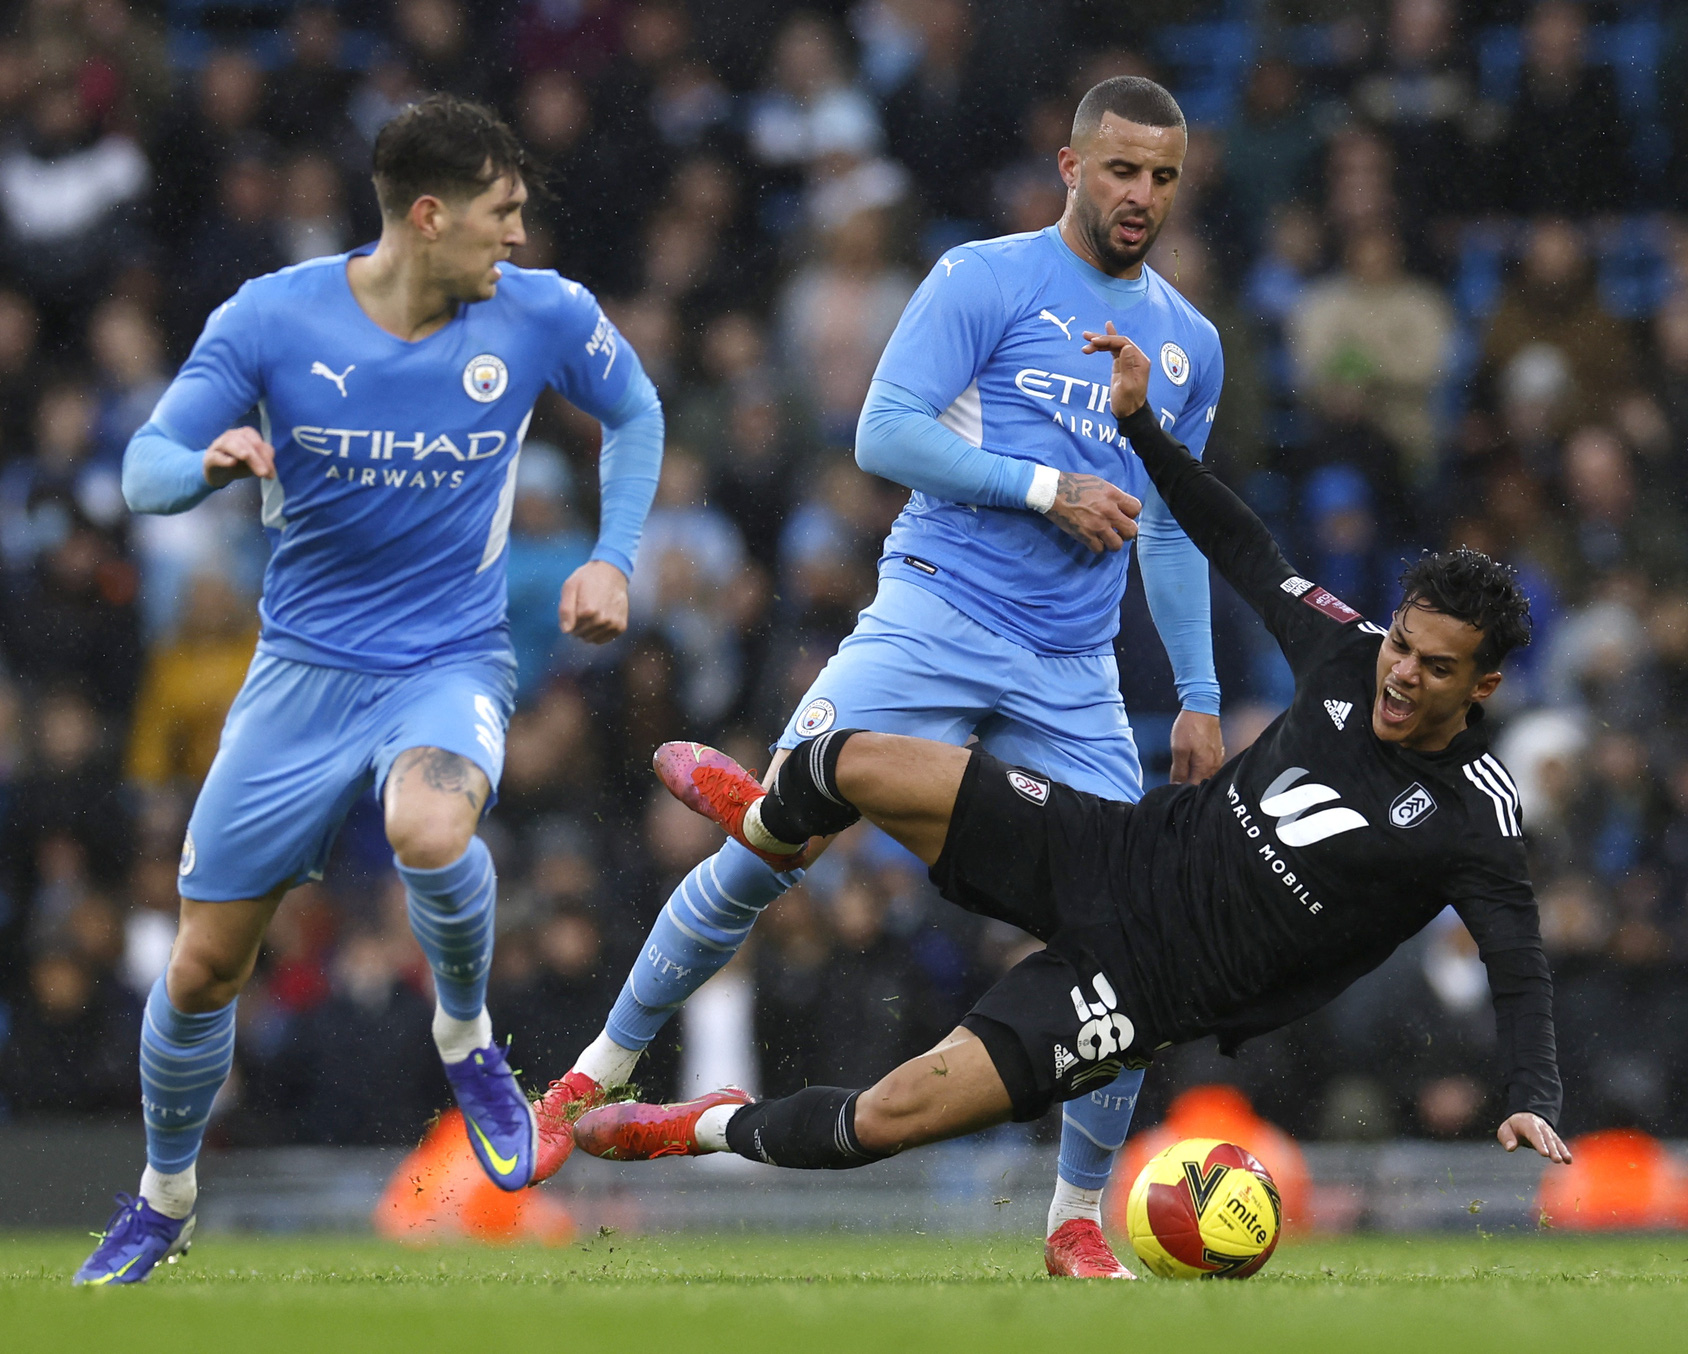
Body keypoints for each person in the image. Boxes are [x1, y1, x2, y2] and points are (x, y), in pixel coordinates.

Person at [570, 325, 1569, 1201]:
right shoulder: (1348, 653)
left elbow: (1515, 964)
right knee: (854, 759)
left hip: (1145, 986)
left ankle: (699, 1124)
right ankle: (764, 822)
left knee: (882, 1119)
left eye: (1431, 669)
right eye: (1399, 644)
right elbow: (1240, 540)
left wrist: (1529, 1098)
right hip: (1110, 849)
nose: (1397, 676)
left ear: (1479, 687)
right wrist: (1139, 430)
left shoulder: (1475, 813)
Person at [531, 76, 1225, 1281]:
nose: (1139, 196)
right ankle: (596, 1068)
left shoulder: (1188, 344)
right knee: (765, 857)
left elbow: (1170, 527)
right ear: (1069, 168)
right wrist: (1041, 485)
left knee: (1131, 942)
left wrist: (1202, 694)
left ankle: (1074, 1220)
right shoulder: (981, 280)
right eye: (1119, 170)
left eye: (1161, 177)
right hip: (935, 613)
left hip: (1071, 667)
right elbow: (882, 433)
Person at [73, 95, 663, 1286]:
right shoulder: (273, 318)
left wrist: (615, 553)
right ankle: (164, 1196)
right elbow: (140, 468)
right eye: (500, 214)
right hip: (298, 676)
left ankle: (466, 1036)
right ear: (429, 215)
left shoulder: (541, 313)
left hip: (449, 657)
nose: (518, 237)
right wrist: (205, 465)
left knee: (427, 825)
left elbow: (636, 409)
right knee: (201, 970)